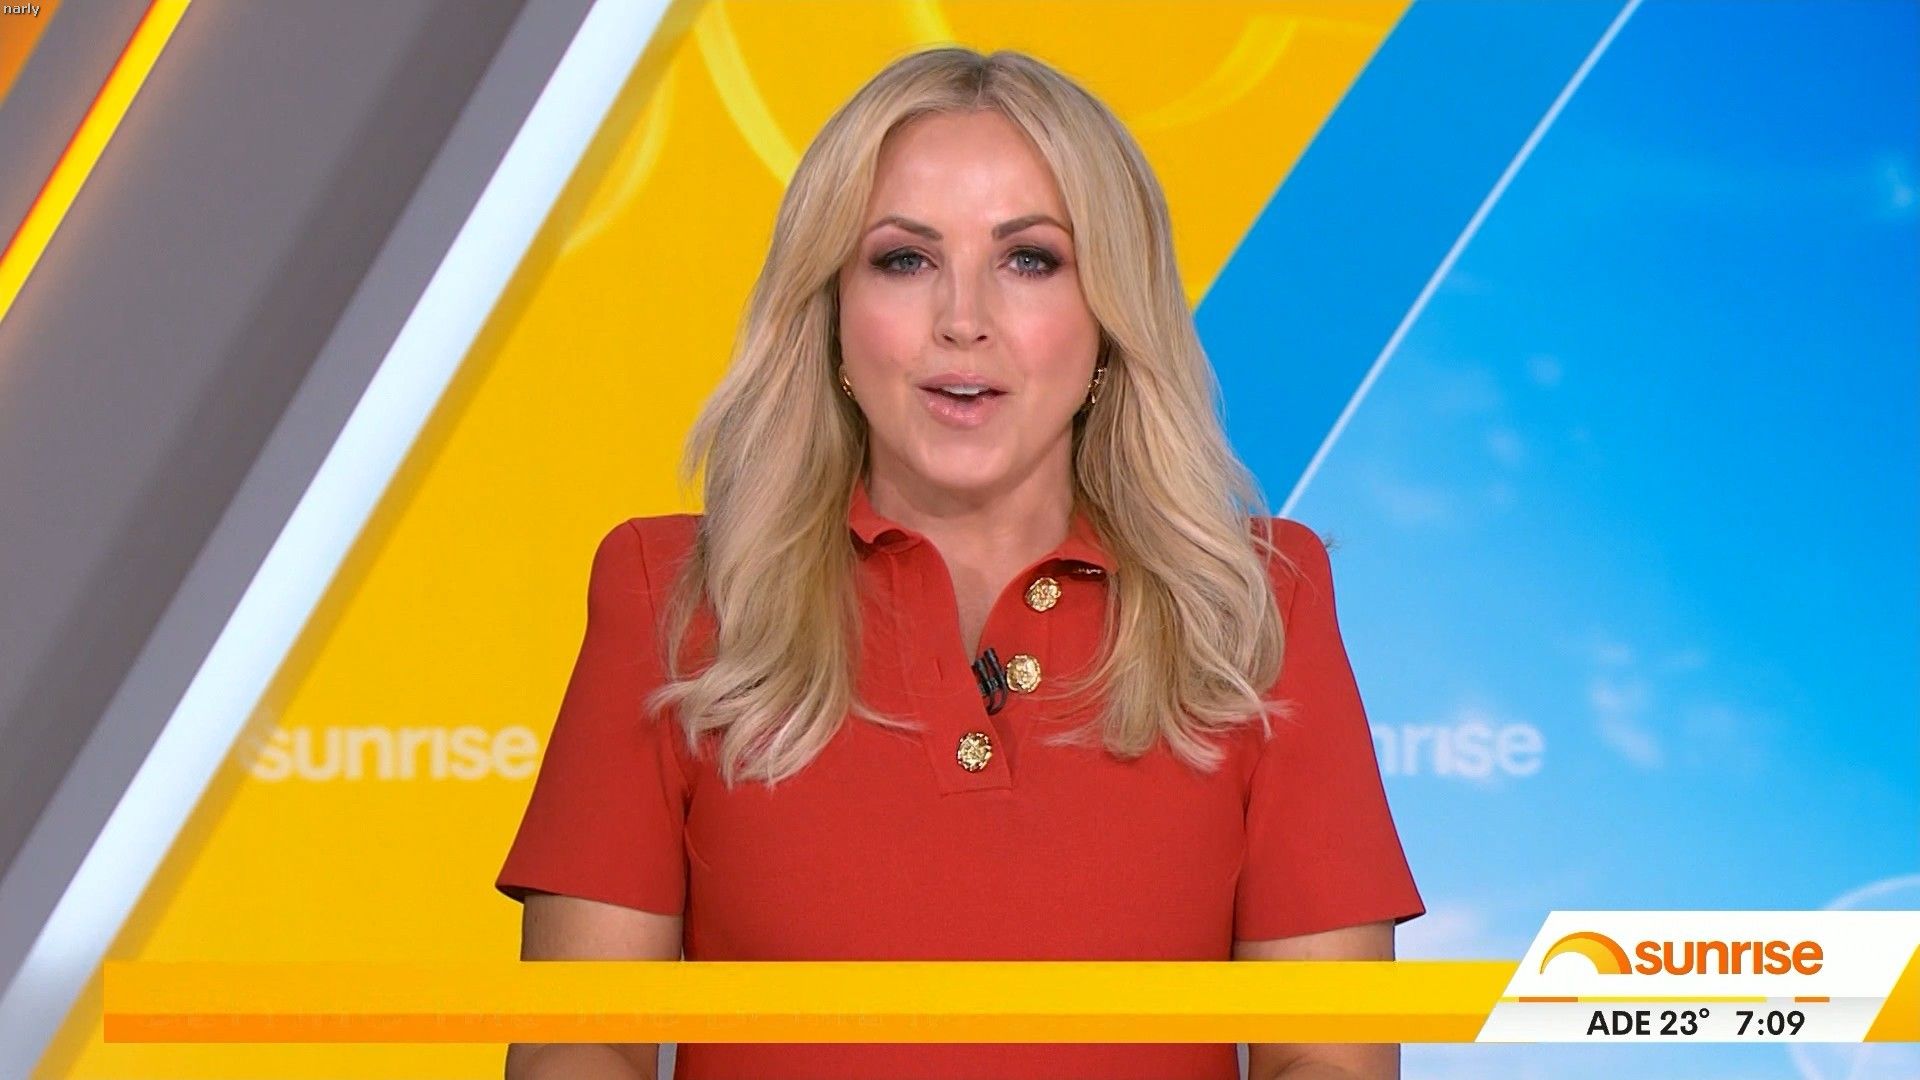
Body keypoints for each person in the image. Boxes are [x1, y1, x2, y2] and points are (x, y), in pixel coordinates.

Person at [497, 45, 1424, 1080]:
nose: (964, 321)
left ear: (1110, 316)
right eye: (905, 260)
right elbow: (579, 1049)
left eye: (1030, 260)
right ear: (831, 311)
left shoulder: (1256, 602)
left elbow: (1329, 1061)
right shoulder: (670, 591)